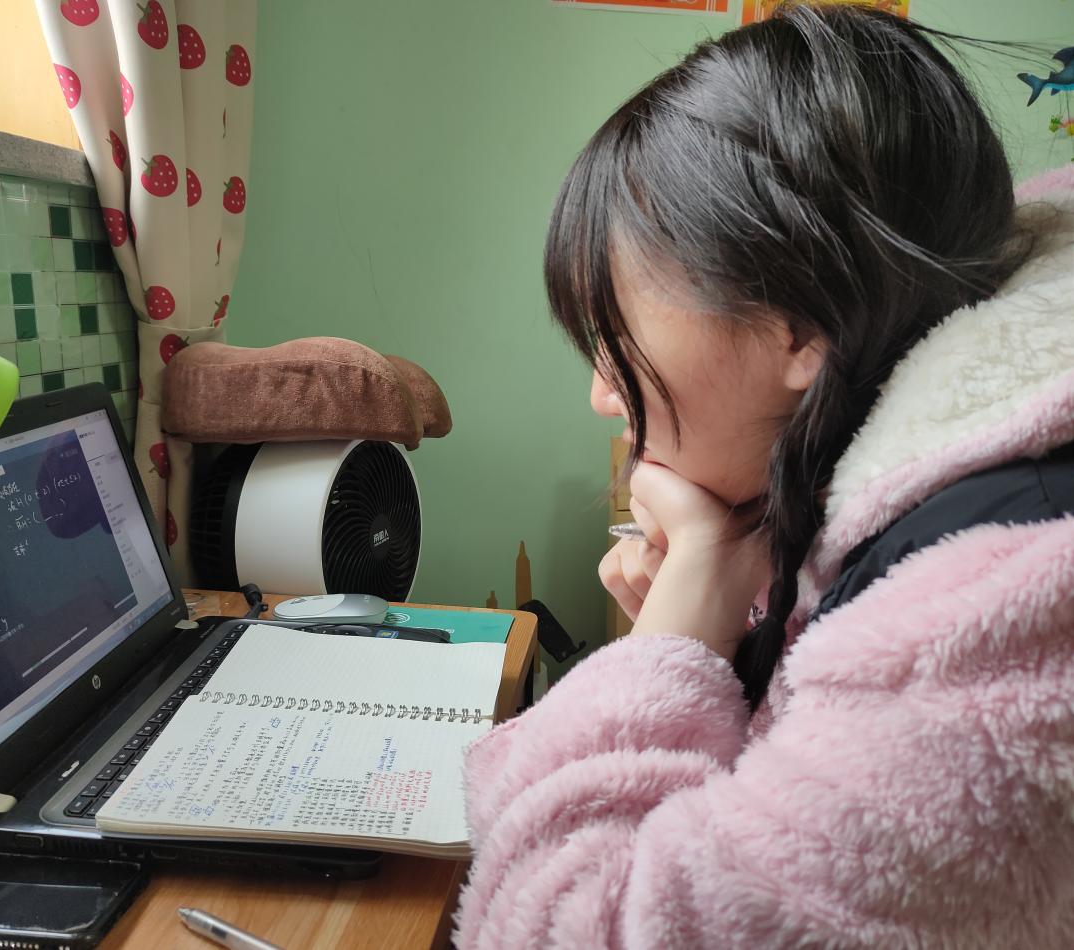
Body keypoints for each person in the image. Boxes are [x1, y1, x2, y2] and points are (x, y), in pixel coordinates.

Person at [455, 5, 1074, 947]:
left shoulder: (998, 616)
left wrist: (663, 651)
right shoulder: (923, 480)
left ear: (798, 323)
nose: (600, 394)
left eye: (614, 338)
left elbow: (557, 929)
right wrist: (729, 621)